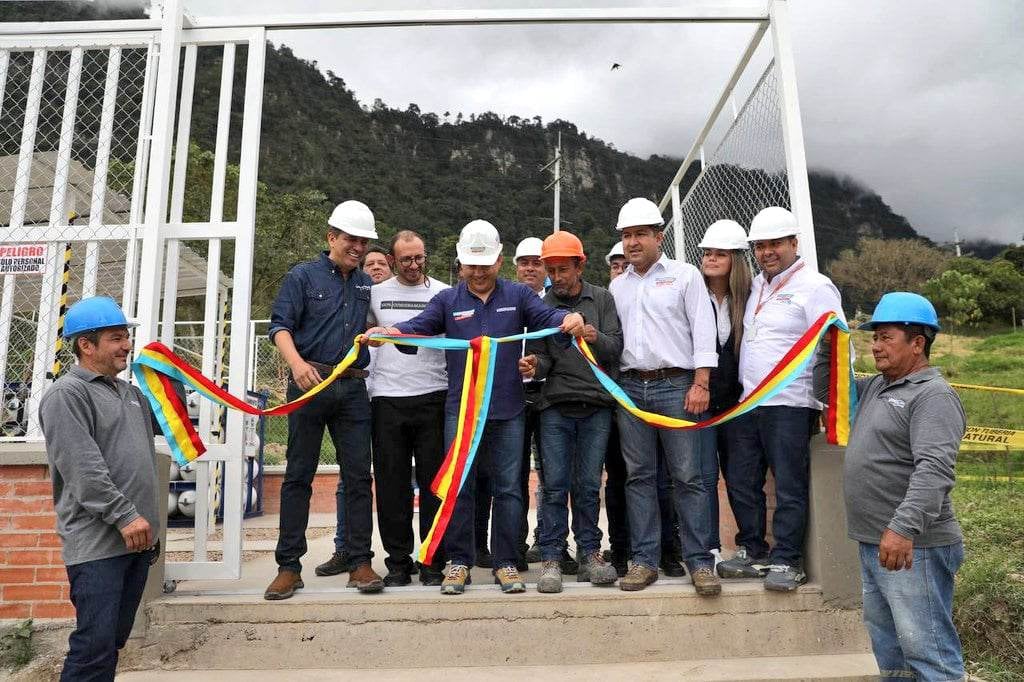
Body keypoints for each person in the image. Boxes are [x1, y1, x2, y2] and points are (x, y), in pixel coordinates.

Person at [365, 220, 585, 595]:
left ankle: (505, 563)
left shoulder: (518, 296)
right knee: (459, 487)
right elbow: (420, 325)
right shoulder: (448, 301)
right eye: (471, 265)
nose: (479, 272)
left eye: (485, 265)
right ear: (460, 264)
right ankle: (458, 562)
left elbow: (548, 318)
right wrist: (393, 332)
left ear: (499, 261)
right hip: (461, 410)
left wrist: (568, 319)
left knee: (509, 489)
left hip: (508, 410)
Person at [815, 292, 967, 681]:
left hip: (915, 547)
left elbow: (934, 471)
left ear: (918, 343)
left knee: (928, 652)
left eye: (886, 338)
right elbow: (828, 394)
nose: (876, 346)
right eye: (874, 337)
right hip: (875, 542)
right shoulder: (877, 388)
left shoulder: (932, 396)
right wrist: (825, 346)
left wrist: (902, 528)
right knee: (893, 654)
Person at [716, 206, 845, 592]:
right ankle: (753, 551)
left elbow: (835, 343)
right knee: (741, 479)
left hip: (790, 402)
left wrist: (828, 403)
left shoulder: (816, 287)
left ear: (794, 243)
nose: (768, 252)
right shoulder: (757, 286)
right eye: (760, 246)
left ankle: (788, 559)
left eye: (775, 244)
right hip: (749, 402)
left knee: (789, 483)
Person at [265, 200, 384, 599]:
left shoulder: (366, 284)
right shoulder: (302, 276)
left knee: (358, 476)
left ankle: (360, 562)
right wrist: (297, 365)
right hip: (310, 382)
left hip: (352, 387)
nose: (358, 246)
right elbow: (280, 326)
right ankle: (288, 566)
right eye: (351, 239)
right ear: (331, 237)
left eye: (363, 241)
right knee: (298, 475)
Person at [39, 296, 161, 681]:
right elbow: (82, 469)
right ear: (85, 345)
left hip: (137, 542)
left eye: (126, 336)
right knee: (93, 648)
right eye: (115, 338)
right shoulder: (67, 395)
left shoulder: (130, 393)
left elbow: (137, 460)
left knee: (111, 645)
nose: (126, 345)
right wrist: (125, 515)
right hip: (99, 547)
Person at [609, 197, 721, 596]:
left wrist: (701, 382)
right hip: (630, 389)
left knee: (688, 476)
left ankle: (700, 562)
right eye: (626, 235)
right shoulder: (617, 285)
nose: (633, 242)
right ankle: (643, 561)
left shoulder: (686, 276)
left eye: (640, 234)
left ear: (660, 236)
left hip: (677, 385)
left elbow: (703, 330)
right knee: (638, 477)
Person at [519, 231, 622, 592]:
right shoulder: (542, 306)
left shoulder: (603, 299)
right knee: (554, 485)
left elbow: (616, 348)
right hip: (555, 409)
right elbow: (543, 359)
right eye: (552, 269)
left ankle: (590, 554)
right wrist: (534, 365)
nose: (557, 277)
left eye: (563, 269)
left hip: (596, 406)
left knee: (589, 485)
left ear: (580, 264)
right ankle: (550, 555)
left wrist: (594, 337)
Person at [365, 230, 449, 587]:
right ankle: (398, 561)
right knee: (391, 485)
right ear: (392, 260)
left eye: (420, 258)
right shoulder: (376, 293)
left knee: (434, 486)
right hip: (387, 399)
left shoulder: (443, 293)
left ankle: (431, 560)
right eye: (406, 260)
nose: (414, 266)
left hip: (433, 395)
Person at [697, 220, 752, 563]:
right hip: (699, 401)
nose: (712, 259)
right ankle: (708, 547)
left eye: (721, 254)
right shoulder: (692, 293)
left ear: (736, 260)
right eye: (707, 253)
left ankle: (749, 544)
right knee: (701, 477)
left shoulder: (751, 297)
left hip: (738, 404)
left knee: (740, 476)